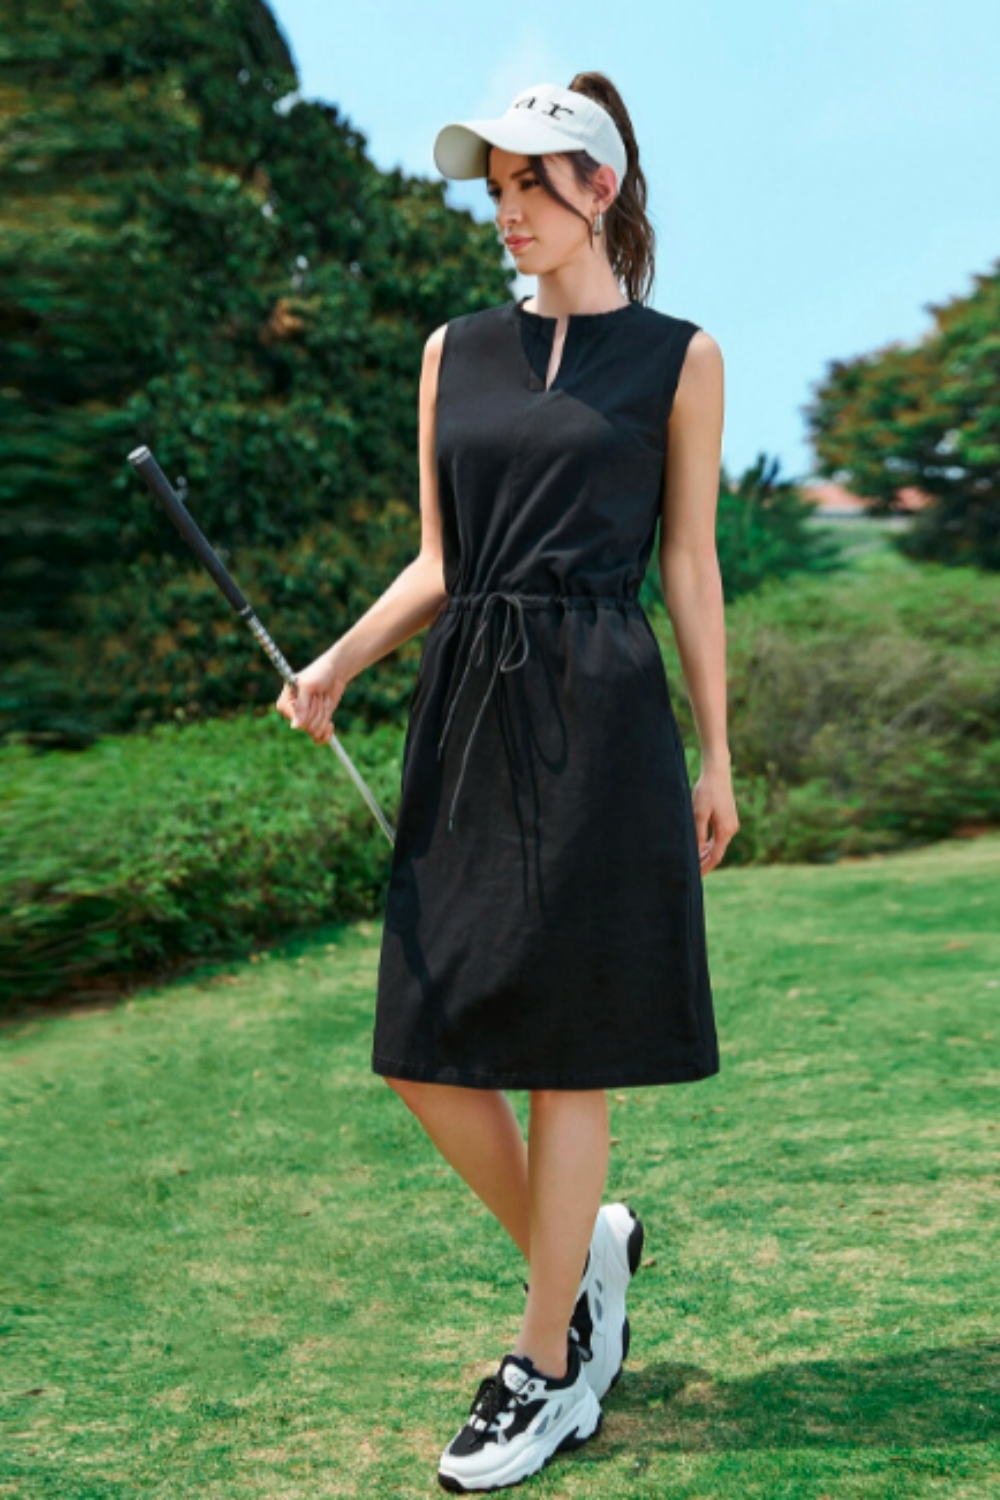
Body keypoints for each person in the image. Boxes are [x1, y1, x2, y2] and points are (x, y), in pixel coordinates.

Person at [276, 71, 737, 1495]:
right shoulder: (453, 351)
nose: (509, 213)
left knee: (564, 1045)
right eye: (497, 190)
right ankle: (586, 1250)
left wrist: (718, 750)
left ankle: (544, 1370)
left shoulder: (681, 359)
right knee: (423, 1043)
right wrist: (336, 664)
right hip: (468, 705)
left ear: (602, 188)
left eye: (534, 185)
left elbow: (689, 566)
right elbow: (440, 561)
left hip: (602, 709)